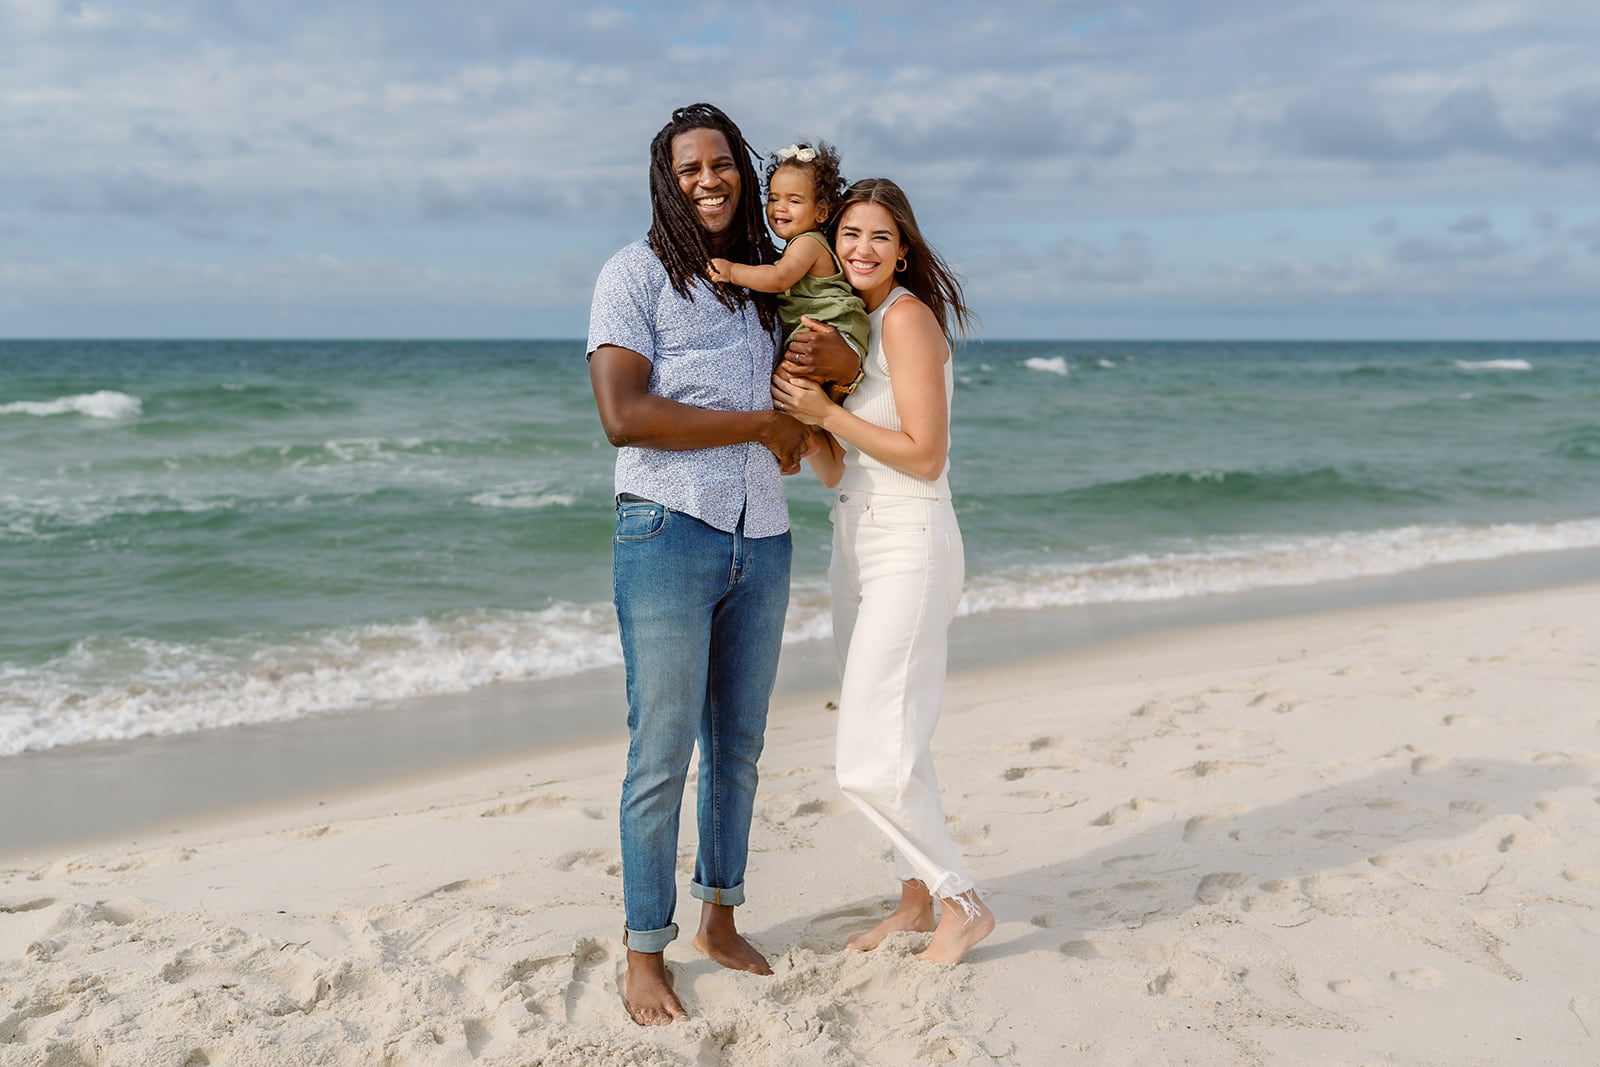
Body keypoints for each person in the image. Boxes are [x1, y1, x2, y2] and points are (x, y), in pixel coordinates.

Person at [585, 103, 855, 1025]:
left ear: (743, 168)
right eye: (689, 168)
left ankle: (722, 919)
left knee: (737, 747)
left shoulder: (768, 280)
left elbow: (827, 355)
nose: (709, 180)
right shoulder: (632, 273)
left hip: (763, 533)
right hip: (667, 529)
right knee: (661, 752)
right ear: (667, 180)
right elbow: (623, 415)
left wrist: (827, 376)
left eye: (721, 163)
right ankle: (644, 950)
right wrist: (761, 425)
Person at [770, 177, 996, 965]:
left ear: (903, 250)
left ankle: (962, 901)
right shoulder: (853, 328)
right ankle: (915, 898)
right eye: (850, 235)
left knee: (867, 758)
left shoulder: (905, 319)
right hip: (855, 538)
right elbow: (842, 471)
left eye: (879, 236)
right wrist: (807, 427)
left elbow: (926, 455)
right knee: (901, 741)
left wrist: (828, 414)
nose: (862, 249)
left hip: (911, 539)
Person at [707, 141, 871, 372]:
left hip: (837, 331)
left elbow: (779, 278)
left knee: (787, 381)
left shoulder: (808, 243)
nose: (780, 208)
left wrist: (732, 271)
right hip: (829, 333)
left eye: (794, 201)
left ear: (821, 211)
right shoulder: (801, 243)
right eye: (774, 199)